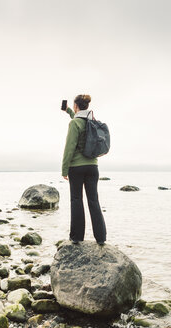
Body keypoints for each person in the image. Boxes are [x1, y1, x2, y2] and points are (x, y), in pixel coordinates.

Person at [61, 94, 107, 245]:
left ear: (76, 105)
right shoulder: (91, 121)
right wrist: (68, 111)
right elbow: (78, 118)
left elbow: (69, 148)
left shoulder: (75, 124)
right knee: (93, 201)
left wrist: (64, 169)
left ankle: (76, 237)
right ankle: (101, 238)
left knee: (76, 200)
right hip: (93, 167)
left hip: (77, 168)